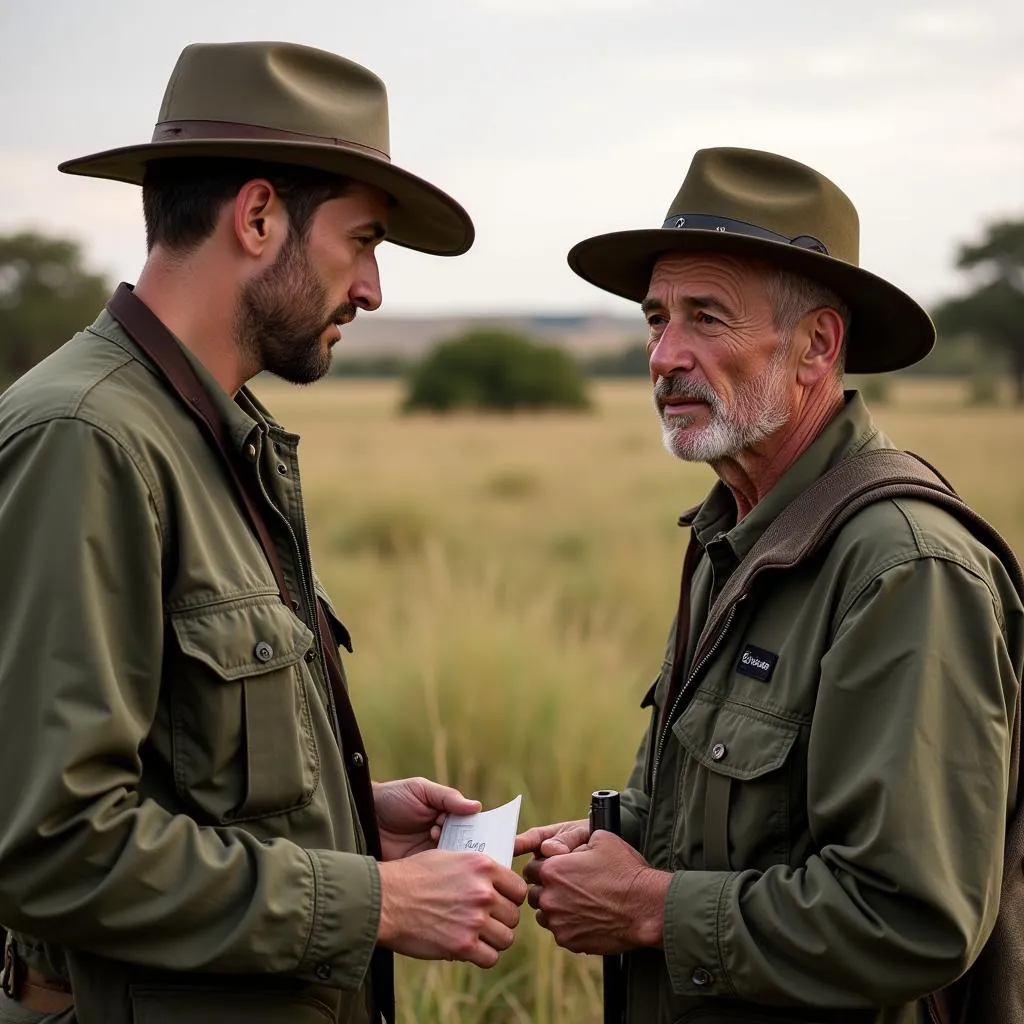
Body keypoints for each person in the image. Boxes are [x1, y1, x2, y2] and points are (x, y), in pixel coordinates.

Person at [0, 41, 526, 1024]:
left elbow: (170, 765)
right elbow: (50, 845)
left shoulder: (205, 434)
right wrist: (370, 900)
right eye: (362, 241)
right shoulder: (89, 440)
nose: (372, 289)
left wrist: (345, 818)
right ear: (256, 217)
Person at [515, 147, 1024, 1023]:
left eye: (706, 319)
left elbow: (912, 919)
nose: (664, 356)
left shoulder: (903, 568)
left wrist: (646, 907)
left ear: (817, 346)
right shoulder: (740, 532)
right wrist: (624, 836)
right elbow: (752, 819)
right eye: (655, 319)